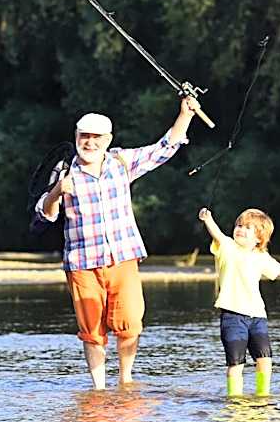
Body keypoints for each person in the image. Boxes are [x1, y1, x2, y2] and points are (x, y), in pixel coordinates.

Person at [35, 97, 200, 389]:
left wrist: (185, 115)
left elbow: (165, 147)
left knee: (130, 323)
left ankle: (125, 380)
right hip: (82, 263)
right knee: (91, 330)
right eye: (84, 136)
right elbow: (45, 215)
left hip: (123, 256)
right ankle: (98, 387)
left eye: (96, 137)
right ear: (76, 137)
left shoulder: (122, 162)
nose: (89, 143)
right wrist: (57, 192)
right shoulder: (64, 172)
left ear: (108, 140)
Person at [198, 206, 280, 396]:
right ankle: (235, 397)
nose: (240, 229)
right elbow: (217, 234)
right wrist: (207, 219)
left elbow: (279, 271)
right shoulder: (227, 247)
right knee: (236, 362)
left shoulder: (261, 256)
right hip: (232, 316)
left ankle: (263, 394)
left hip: (258, 317)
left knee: (265, 359)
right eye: (238, 225)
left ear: (259, 238)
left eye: (247, 227)